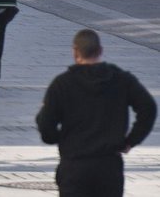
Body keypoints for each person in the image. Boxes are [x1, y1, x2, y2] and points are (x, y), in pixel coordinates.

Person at [36, 29, 156, 197]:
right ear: (100, 51)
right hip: (109, 165)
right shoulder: (121, 79)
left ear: (75, 52)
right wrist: (130, 141)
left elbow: (46, 127)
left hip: (74, 165)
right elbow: (148, 108)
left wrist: (59, 136)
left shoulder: (62, 84)